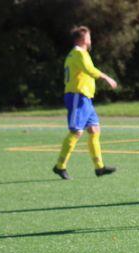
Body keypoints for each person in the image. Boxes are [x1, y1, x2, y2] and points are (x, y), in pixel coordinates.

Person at [53, 26, 118, 180]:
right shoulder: (78, 53)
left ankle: (99, 167)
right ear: (82, 39)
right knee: (76, 131)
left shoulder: (80, 53)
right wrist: (106, 77)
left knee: (94, 130)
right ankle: (60, 166)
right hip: (77, 96)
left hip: (85, 98)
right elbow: (90, 70)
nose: (90, 39)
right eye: (88, 37)